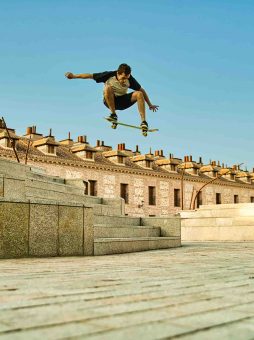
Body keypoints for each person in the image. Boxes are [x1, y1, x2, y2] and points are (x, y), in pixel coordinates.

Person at [65, 63, 159, 131]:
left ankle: (143, 122)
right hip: (109, 101)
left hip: (123, 102)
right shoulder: (108, 75)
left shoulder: (130, 79)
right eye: (123, 78)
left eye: (127, 78)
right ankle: (113, 114)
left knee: (139, 93)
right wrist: (73, 76)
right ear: (118, 73)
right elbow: (90, 75)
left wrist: (150, 104)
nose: (124, 81)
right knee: (108, 87)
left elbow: (142, 90)